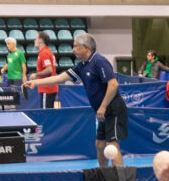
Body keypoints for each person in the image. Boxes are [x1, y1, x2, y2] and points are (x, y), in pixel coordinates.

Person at [25, 33, 128, 167]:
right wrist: (36, 83)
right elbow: (59, 78)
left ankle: (119, 177)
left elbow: (113, 84)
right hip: (102, 111)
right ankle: (104, 173)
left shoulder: (99, 61)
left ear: (85, 48)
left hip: (113, 108)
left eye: (76, 46)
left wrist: (103, 106)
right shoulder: (82, 66)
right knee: (100, 144)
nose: (73, 49)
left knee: (112, 146)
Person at [23, 30, 60, 109]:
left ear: (41, 40)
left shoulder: (44, 53)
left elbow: (49, 69)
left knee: (45, 113)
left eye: (36, 39)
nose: (34, 41)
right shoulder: (47, 51)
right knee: (48, 112)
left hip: (47, 88)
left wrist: (36, 74)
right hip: (49, 87)